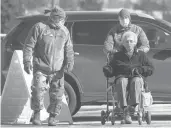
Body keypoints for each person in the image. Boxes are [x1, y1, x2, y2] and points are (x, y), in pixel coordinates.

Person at [23, 6, 74, 126]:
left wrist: (70, 62)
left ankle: (52, 117)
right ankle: (36, 115)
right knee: (37, 91)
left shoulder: (64, 31)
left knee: (57, 94)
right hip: (41, 67)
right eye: (59, 18)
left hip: (57, 69)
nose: (61, 21)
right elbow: (29, 45)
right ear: (53, 18)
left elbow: (69, 49)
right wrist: (26, 61)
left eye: (63, 19)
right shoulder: (40, 27)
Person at [103, 31, 154, 124]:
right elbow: (111, 68)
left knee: (136, 81)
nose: (129, 43)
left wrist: (140, 70)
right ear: (123, 43)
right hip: (122, 77)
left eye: (131, 41)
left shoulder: (141, 55)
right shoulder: (117, 56)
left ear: (135, 42)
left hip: (136, 76)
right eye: (126, 41)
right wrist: (107, 70)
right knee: (121, 81)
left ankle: (132, 107)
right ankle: (124, 109)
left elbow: (150, 68)